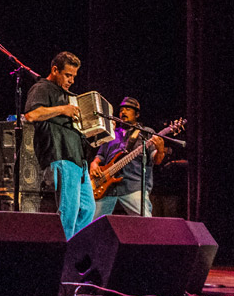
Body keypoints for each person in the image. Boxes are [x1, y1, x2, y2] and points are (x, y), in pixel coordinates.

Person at [23, 51, 95, 239]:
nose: (71, 80)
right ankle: (62, 249)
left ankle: (75, 247)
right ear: (55, 70)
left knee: (88, 209)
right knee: (68, 210)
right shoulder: (42, 88)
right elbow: (31, 115)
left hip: (78, 159)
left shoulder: (68, 95)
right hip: (61, 153)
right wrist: (63, 109)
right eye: (67, 75)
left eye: (74, 76)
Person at [89, 96, 165, 218]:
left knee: (145, 222)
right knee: (93, 223)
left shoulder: (146, 133)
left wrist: (160, 150)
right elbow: (100, 156)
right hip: (106, 188)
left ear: (137, 114)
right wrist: (94, 164)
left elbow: (157, 160)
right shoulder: (112, 133)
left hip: (133, 186)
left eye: (128, 109)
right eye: (121, 110)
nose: (123, 112)